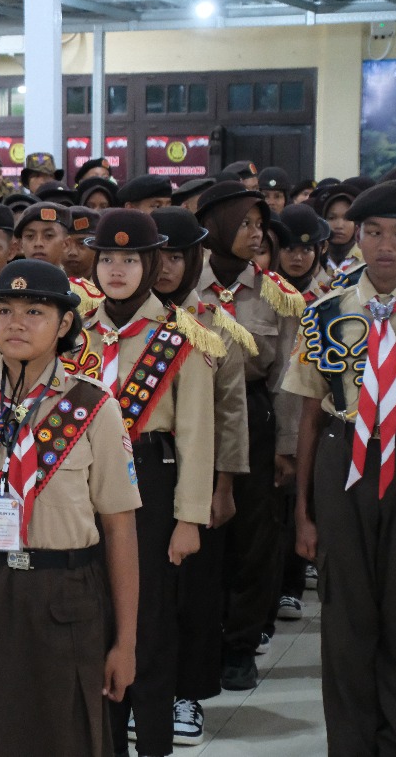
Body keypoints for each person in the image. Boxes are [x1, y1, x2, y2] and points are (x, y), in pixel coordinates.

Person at [0, 258, 141, 757]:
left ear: (64, 324)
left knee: (68, 737)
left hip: (63, 596)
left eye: (35, 311)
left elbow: (120, 528)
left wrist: (125, 643)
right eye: (5, 310)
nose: (16, 322)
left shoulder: (93, 407)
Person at [284, 179, 396, 757]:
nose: (385, 246)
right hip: (342, 458)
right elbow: (309, 413)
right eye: (373, 232)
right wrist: (303, 510)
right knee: (346, 617)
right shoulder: (325, 310)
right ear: (356, 236)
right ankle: (350, 746)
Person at [70, 209, 219, 757]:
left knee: (149, 625)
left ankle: (153, 744)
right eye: (107, 257)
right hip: (83, 487)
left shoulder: (180, 337)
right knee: (95, 618)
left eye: (129, 259)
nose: (116, 270)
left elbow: (198, 436)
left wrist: (189, 520)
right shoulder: (75, 330)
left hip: (151, 483)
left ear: (151, 264)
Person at [194, 180, 306, 692]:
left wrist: (286, 446)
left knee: (252, 534)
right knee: (198, 530)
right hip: (192, 415)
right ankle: (199, 637)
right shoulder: (181, 282)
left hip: (256, 414)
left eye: (261, 226)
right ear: (215, 225)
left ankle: (240, 644)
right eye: (245, 223)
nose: (256, 234)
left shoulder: (278, 296)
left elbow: (287, 375)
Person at [150, 205, 254, 746]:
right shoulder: (121, 317)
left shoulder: (213, 321)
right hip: (140, 470)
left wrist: (224, 485)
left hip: (199, 470)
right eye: (157, 255)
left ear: (196, 259)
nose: (165, 268)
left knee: (193, 588)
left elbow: (231, 411)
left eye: (176, 256)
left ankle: (186, 694)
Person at [321, 184, 364, 277]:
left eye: (347, 218)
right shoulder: (315, 260)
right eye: (332, 218)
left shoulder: (366, 260)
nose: (339, 225)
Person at [14, 202, 71, 267]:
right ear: (21, 245)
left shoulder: (73, 277)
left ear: (66, 244)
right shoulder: (10, 277)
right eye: (30, 236)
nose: (38, 243)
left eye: (49, 236)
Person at [62, 206, 100, 281]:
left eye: (81, 243)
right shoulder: (48, 280)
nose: (72, 252)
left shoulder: (107, 284)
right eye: (66, 244)